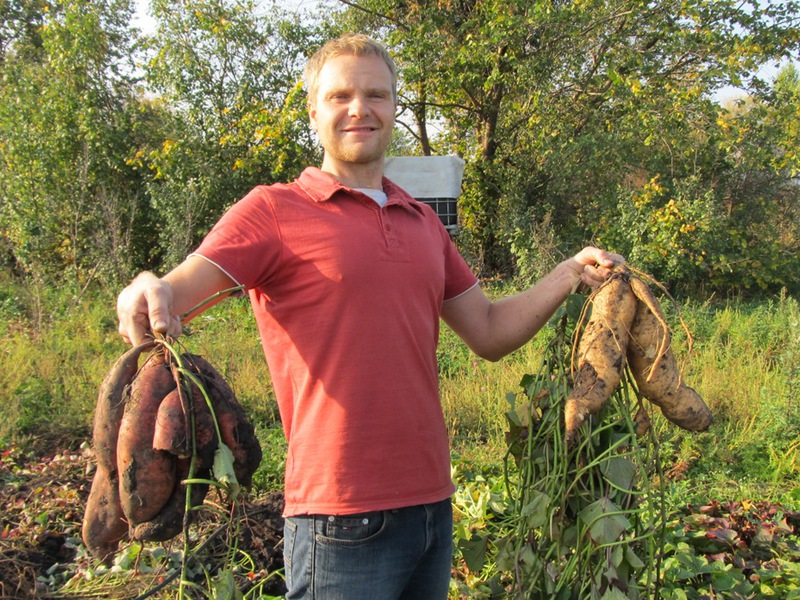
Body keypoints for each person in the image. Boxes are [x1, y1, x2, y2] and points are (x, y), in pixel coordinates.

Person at [116, 33, 622, 600]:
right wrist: (147, 285)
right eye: (340, 96)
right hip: (339, 516)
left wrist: (570, 272)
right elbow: (179, 289)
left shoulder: (423, 222)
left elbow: (489, 331)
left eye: (376, 95)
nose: (360, 108)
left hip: (432, 505)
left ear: (395, 108)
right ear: (314, 110)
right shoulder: (274, 210)